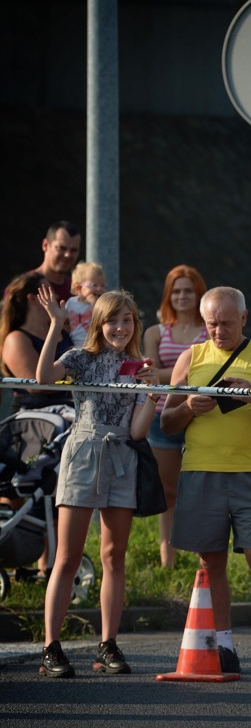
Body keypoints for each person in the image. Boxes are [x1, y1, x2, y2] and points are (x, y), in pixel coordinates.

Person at [161, 286, 251, 679]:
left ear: (243, 317)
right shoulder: (191, 357)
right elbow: (167, 422)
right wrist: (189, 406)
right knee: (211, 561)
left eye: (225, 323)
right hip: (201, 471)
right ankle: (223, 644)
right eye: (211, 324)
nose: (218, 331)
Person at [35, 287, 158, 678]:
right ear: (99, 324)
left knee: (112, 556)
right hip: (83, 452)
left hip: (122, 455)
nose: (120, 327)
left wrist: (151, 395)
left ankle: (108, 643)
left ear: (134, 324)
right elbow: (41, 379)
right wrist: (56, 325)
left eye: (127, 320)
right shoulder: (80, 358)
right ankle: (51, 647)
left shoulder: (139, 366)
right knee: (68, 557)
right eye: (112, 320)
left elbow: (138, 432)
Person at [143, 265, 209, 570]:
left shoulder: (211, 329)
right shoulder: (155, 332)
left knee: (198, 492)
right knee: (168, 492)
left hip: (204, 416)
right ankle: (167, 561)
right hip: (162, 416)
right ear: (168, 296)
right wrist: (188, 371)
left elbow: (212, 369)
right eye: (176, 291)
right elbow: (151, 375)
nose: (182, 296)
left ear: (199, 294)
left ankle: (203, 560)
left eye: (188, 290)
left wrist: (171, 374)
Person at [2, 272, 75, 413]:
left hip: (72, 408)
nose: (57, 297)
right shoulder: (16, 339)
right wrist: (75, 375)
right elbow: (37, 385)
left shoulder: (65, 330)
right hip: (37, 416)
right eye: (49, 292)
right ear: (33, 299)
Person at [31, 221, 82, 306]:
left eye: (74, 250)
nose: (67, 255)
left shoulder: (76, 290)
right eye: (61, 248)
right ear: (45, 245)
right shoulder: (25, 286)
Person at [65, 262, 107, 347]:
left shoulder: (103, 304)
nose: (99, 289)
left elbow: (102, 321)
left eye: (103, 286)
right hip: (75, 346)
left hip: (96, 347)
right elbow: (66, 321)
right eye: (94, 285)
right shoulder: (71, 302)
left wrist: (94, 305)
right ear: (79, 288)